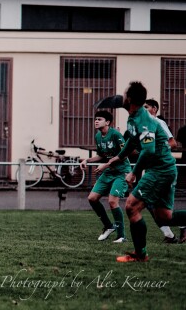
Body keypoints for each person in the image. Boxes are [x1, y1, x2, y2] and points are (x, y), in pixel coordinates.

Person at [103, 82, 186, 262]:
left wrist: (133, 172)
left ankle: (140, 254)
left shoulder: (145, 120)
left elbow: (148, 151)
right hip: (162, 170)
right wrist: (118, 157)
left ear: (130, 99)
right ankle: (140, 254)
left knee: (131, 206)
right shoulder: (133, 117)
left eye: (125, 94)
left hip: (160, 170)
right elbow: (133, 142)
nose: (122, 96)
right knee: (165, 217)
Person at [80, 111, 130, 243]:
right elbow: (101, 154)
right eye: (95, 119)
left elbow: (123, 155)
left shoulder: (116, 135)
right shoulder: (98, 136)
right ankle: (108, 226)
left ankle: (121, 236)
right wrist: (87, 160)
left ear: (107, 122)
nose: (96, 121)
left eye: (99, 119)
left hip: (121, 172)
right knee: (92, 198)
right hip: (109, 172)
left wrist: (105, 165)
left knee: (113, 201)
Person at [143, 98, 179, 243]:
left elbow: (173, 143)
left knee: (155, 205)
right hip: (153, 169)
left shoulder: (158, 122)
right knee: (151, 204)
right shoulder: (145, 127)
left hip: (163, 169)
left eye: (146, 107)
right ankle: (169, 234)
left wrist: (160, 150)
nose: (143, 110)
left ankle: (175, 230)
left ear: (154, 109)